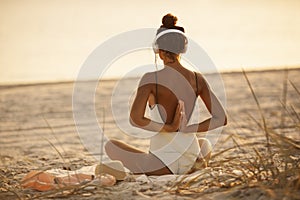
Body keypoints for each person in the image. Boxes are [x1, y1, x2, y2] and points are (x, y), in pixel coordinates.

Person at [105, 13, 227, 175]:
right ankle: (193, 165)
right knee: (204, 143)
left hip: (161, 165)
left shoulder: (150, 79)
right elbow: (221, 118)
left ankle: (171, 167)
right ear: (182, 49)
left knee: (110, 146)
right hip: (190, 157)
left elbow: (135, 119)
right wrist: (188, 129)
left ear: (159, 51)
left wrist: (169, 127)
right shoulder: (197, 79)